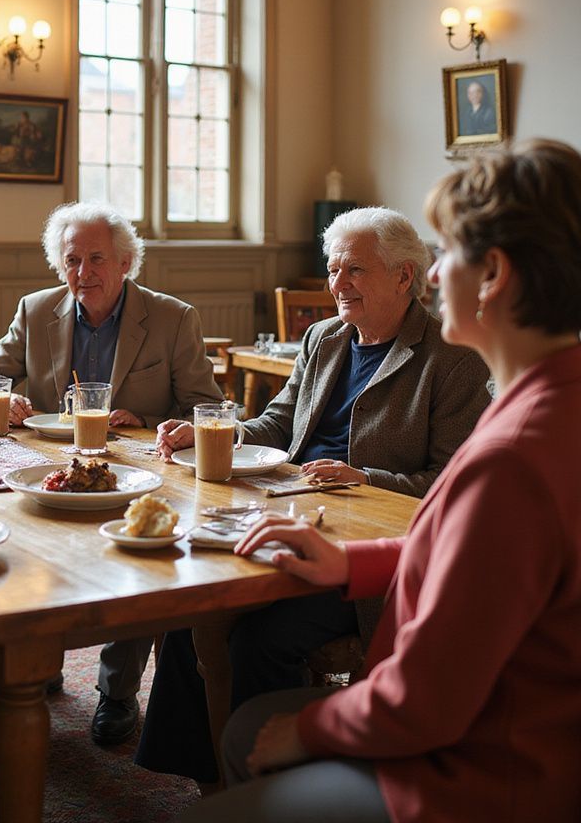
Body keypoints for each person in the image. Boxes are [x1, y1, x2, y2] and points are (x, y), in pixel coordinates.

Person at [180, 138, 581, 823]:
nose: (430, 276)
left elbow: (426, 701)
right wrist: (352, 562)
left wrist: (307, 730)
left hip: (486, 771)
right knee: (239, 709)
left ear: (493, 276)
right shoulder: (548, 401)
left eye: (445, 254)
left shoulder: (512, 457)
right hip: (516, 732)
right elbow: (482, 557)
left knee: (229, 777)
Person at [137, 206, 491, 786]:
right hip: (288, 512)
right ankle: (202, 773)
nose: (338, 283)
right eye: (333, 269)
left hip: (370, 549)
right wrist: (217, 434)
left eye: (355, 269)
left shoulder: (449, 358)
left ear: (405, 277)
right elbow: (277, 425)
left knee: (261, 640)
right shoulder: (324, 338)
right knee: (192, 608)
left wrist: (367, 477)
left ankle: (270, 784)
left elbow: (449, 481)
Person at [0, 200, 222, 745]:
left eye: (97, 259)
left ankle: (117, 692)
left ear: (126, 262)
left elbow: (206, 406)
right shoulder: (36, 310)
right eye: (73, 260)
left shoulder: (174, 318)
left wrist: (152, 420)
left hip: (133, 475)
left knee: (135, 563)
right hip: (45, 471)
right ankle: (31, 666)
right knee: (12, 549)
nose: (84, 274)